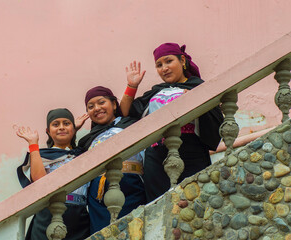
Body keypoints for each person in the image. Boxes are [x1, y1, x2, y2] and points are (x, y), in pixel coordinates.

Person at [120, 43, 224, 203]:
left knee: (194, 203)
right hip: (156, 158)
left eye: (169, 61)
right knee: (159, 204)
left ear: (182, 60)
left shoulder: (198, 87)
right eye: (159, 65)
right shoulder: (156, 91)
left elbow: (213, 118)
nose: (164, 68)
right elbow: (126, 113)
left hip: (192, 152)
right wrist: (132, 86)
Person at [78, 86, 146, 234]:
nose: (97, 108)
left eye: (101, 102)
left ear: (114, 104)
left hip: (131, 188)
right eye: (91, 107)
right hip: (98, 200)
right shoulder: (86, 141)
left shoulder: (131, 125)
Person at [16, 108, 90, 240]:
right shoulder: (43, 156)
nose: (61, 127)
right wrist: (33, 144)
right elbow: (39, 181)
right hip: (48, 217)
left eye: (66, 123)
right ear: (48, 131)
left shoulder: (82, 154)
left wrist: (73, 129)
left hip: (79, 217)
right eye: (56, 125)